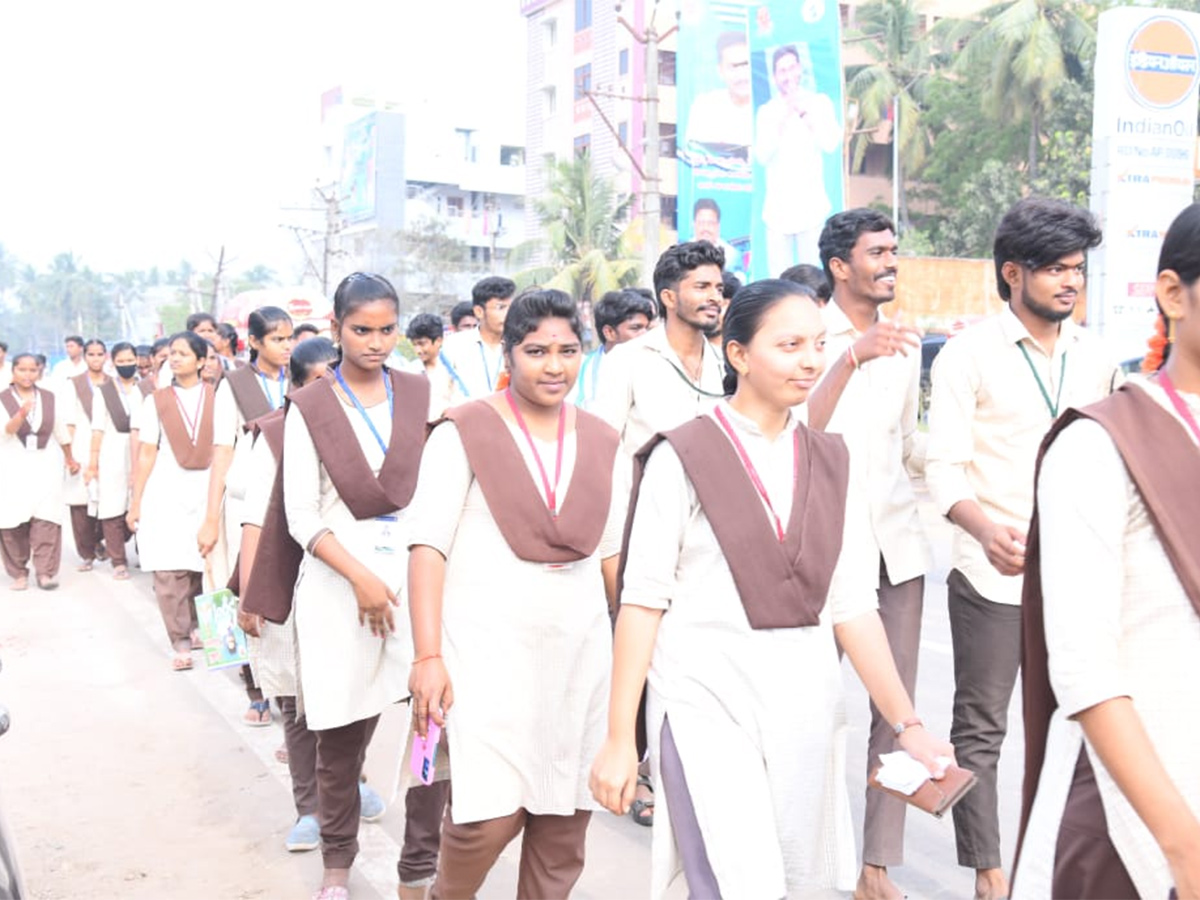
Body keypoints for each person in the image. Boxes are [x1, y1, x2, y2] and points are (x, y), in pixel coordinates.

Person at [590, 279, 953, 897]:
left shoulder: (831, 460)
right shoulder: (683, 454)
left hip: (805, 707)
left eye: (817, 344)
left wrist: (908, 724)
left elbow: (852, 607)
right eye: (789, 345)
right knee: (737, 883)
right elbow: (643, 601)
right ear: (738, 355)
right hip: (704, 702)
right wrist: (621, 739)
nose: (810, 360)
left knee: (796, 881)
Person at [925, 197, 1119, 900]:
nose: (1071, 282)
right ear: (1013, 273)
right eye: (1056, 269)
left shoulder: (1097, 358)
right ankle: (990, 873)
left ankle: (1063, 865)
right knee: (981, 729)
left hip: (1079, 575)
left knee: (1087, 723)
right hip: (992, 573)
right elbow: (942, 467)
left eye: (1078, 269)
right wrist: (984, 529)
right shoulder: (965, 355)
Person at [407, 288, 627, 898]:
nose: (554, 365)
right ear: (509, 352)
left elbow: (611, 559)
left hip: (579, 657)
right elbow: (428, 547)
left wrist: (638, 658)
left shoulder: (606, 440)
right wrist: (428, 658)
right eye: (536, 351)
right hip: (484, 654)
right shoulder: (464, 430)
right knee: (484, 818)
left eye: (567, 350)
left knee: (563, 826)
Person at [1012, 203, 1200, 899]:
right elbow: (1086, 672)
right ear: (1173, 295)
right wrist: (1183, 848)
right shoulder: (1099, 445)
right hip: (1134, 824)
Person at [282, 273, 429, 900]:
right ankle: (337, 866)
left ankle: (421, 865)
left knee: (431, 724)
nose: (376, 342)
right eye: (361, 329)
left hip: (415, 581)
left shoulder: (421, 393)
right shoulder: (312, 406)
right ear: (336, 326)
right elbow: (300, 515)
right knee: (339, 736)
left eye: (387, 329)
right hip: (339, 588)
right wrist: (362, 578)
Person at [801, 210, 929, 900]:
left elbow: (909, 447)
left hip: (898, 549)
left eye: (893, 251)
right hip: (824, 549)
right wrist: (850, 356)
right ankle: (802, 848)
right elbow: (795, 432)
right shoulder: (805, 333)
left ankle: (875, 868)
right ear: (839, 266)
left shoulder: (905, 344)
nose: (890, 261)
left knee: (896, 713)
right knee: (813, 705)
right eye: (876, 252)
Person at [199, 306, 294, 725]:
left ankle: (289, 696)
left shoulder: (301, 377)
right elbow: (222, 452)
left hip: (292, 498)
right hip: (246, 501)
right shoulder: (233, 386)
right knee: (244, 588)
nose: (286, 347)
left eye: (290, 338)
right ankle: (256, 689)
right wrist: (210, 516)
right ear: (254, 342)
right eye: (277, 339)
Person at [127, 331, 216, 670]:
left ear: (201, 360)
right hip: (166, 491)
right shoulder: (157, 400)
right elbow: (147, 452)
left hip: (207, 490)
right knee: (169, 568)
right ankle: (179, 639)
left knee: (202, 565)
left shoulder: (218, 396)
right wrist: (137, 501)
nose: (175, 358)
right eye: (172, 354)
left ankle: (197, 626)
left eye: (183, 353)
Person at [594, 242, 727, 457]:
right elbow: (602, 448)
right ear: (669, 298)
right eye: (702, 287)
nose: (715, 297)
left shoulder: (726, 364)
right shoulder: (626, 360)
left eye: (719, 288)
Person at [755, 45, 841, 273]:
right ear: (774, 77)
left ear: (800, 69)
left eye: (791, 68)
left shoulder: (819, 103)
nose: (788, 76)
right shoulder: (767, 112)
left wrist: (804, 113)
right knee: (778, 282)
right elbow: (762, 155)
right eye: (782, 71)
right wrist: (783, 116)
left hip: (810, 206)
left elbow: (831, 143)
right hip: (777, 209)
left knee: (811, 277)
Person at [0, 352, 78, 590]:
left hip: (46, 465)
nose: (27, 375)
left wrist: (69, 458)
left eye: (32, 370)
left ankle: (45, 572)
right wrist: (22, 413)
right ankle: (19, 572)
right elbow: (6, 431)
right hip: (12, 466)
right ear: (13, 372)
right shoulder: (3, 398)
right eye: (22, 370)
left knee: (47, 519)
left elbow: (60, 431)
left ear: (39, 371)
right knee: (13, 521)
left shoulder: (48, 397)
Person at [85, 342, 139, 580]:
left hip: (141, 452)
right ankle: (118, 560)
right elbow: (97, 429)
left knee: (137, 504)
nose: (126, 365)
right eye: (122, 361)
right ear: (113, 362)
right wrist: (93, 462)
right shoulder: (103, 391)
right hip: (112, 453)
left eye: (130, 361)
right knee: (112, 507)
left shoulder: (145, 389)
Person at [65, 339, 111, 571]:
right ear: (85, 357)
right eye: (91, 354)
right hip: (81, 445)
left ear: (106, 356)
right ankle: (86, 553)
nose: (95, 358)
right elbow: (69, 420)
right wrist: (69, 455)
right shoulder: (75, 384)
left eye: (99, 354)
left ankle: (100, 540)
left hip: (108, 446)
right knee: (80, 504)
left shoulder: (113, 384)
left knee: (108, 500)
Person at [575, 289, 657, 410]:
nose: (645, 335)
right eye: (636, 328)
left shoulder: (657, 366)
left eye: (647, 328)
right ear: (609, 333)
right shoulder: (581, 370)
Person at [440, 277, 515, 405]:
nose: (508, 314)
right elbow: (441, 391)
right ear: (479, 312)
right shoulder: (454, 345)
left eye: (511, 307)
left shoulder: (519, 346)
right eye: (500, 307)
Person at [684, 31, 753, 154]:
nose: (742, 76)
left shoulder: (769, 110)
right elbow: (694, 155)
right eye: (733, 67)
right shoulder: (705, 106)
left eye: (746, 66)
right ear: (720, 71)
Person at [405, 313, 454, 421]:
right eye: (414, 345)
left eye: (422, 344)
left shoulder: (453, 369)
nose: (418, 350)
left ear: (438, 341)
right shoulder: (410, 371)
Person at [692, 199, 742, 279]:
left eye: (710, 223)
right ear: (694, 224)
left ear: (718, 226)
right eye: (701, 223)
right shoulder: (682, 252)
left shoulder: (731, 255)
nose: (705, 228)